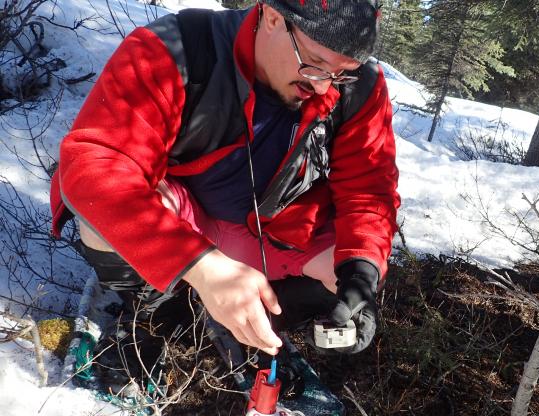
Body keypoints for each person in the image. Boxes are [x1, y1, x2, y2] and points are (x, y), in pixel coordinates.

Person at [49, 0, 399, 376]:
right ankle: (156, 306)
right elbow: (95, 165)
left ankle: (257, 307)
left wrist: (360, 274)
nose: (321, 86)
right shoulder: (177, 50)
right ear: (273, 16)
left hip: (275, 235)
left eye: (340, 73)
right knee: (101, 220)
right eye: (313, 62)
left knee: (346, 265)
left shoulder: (360, 87)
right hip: (185, 220)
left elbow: (369, 190)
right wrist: (203, 268)